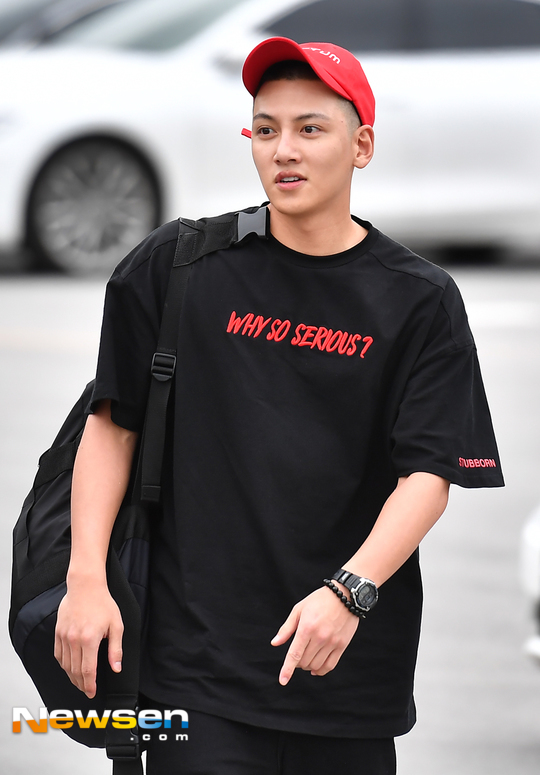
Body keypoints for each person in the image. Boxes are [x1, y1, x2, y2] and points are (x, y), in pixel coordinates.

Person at [54, 37, 504, 775]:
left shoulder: (418, 300)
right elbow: (113, 428)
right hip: (189, 673)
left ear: (361, 147)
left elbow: (428, 475)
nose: (282, 150)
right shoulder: (178, 266)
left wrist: (349, 593)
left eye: (309, 128)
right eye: (265, 129)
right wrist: (86, 580)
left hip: (345, 675)